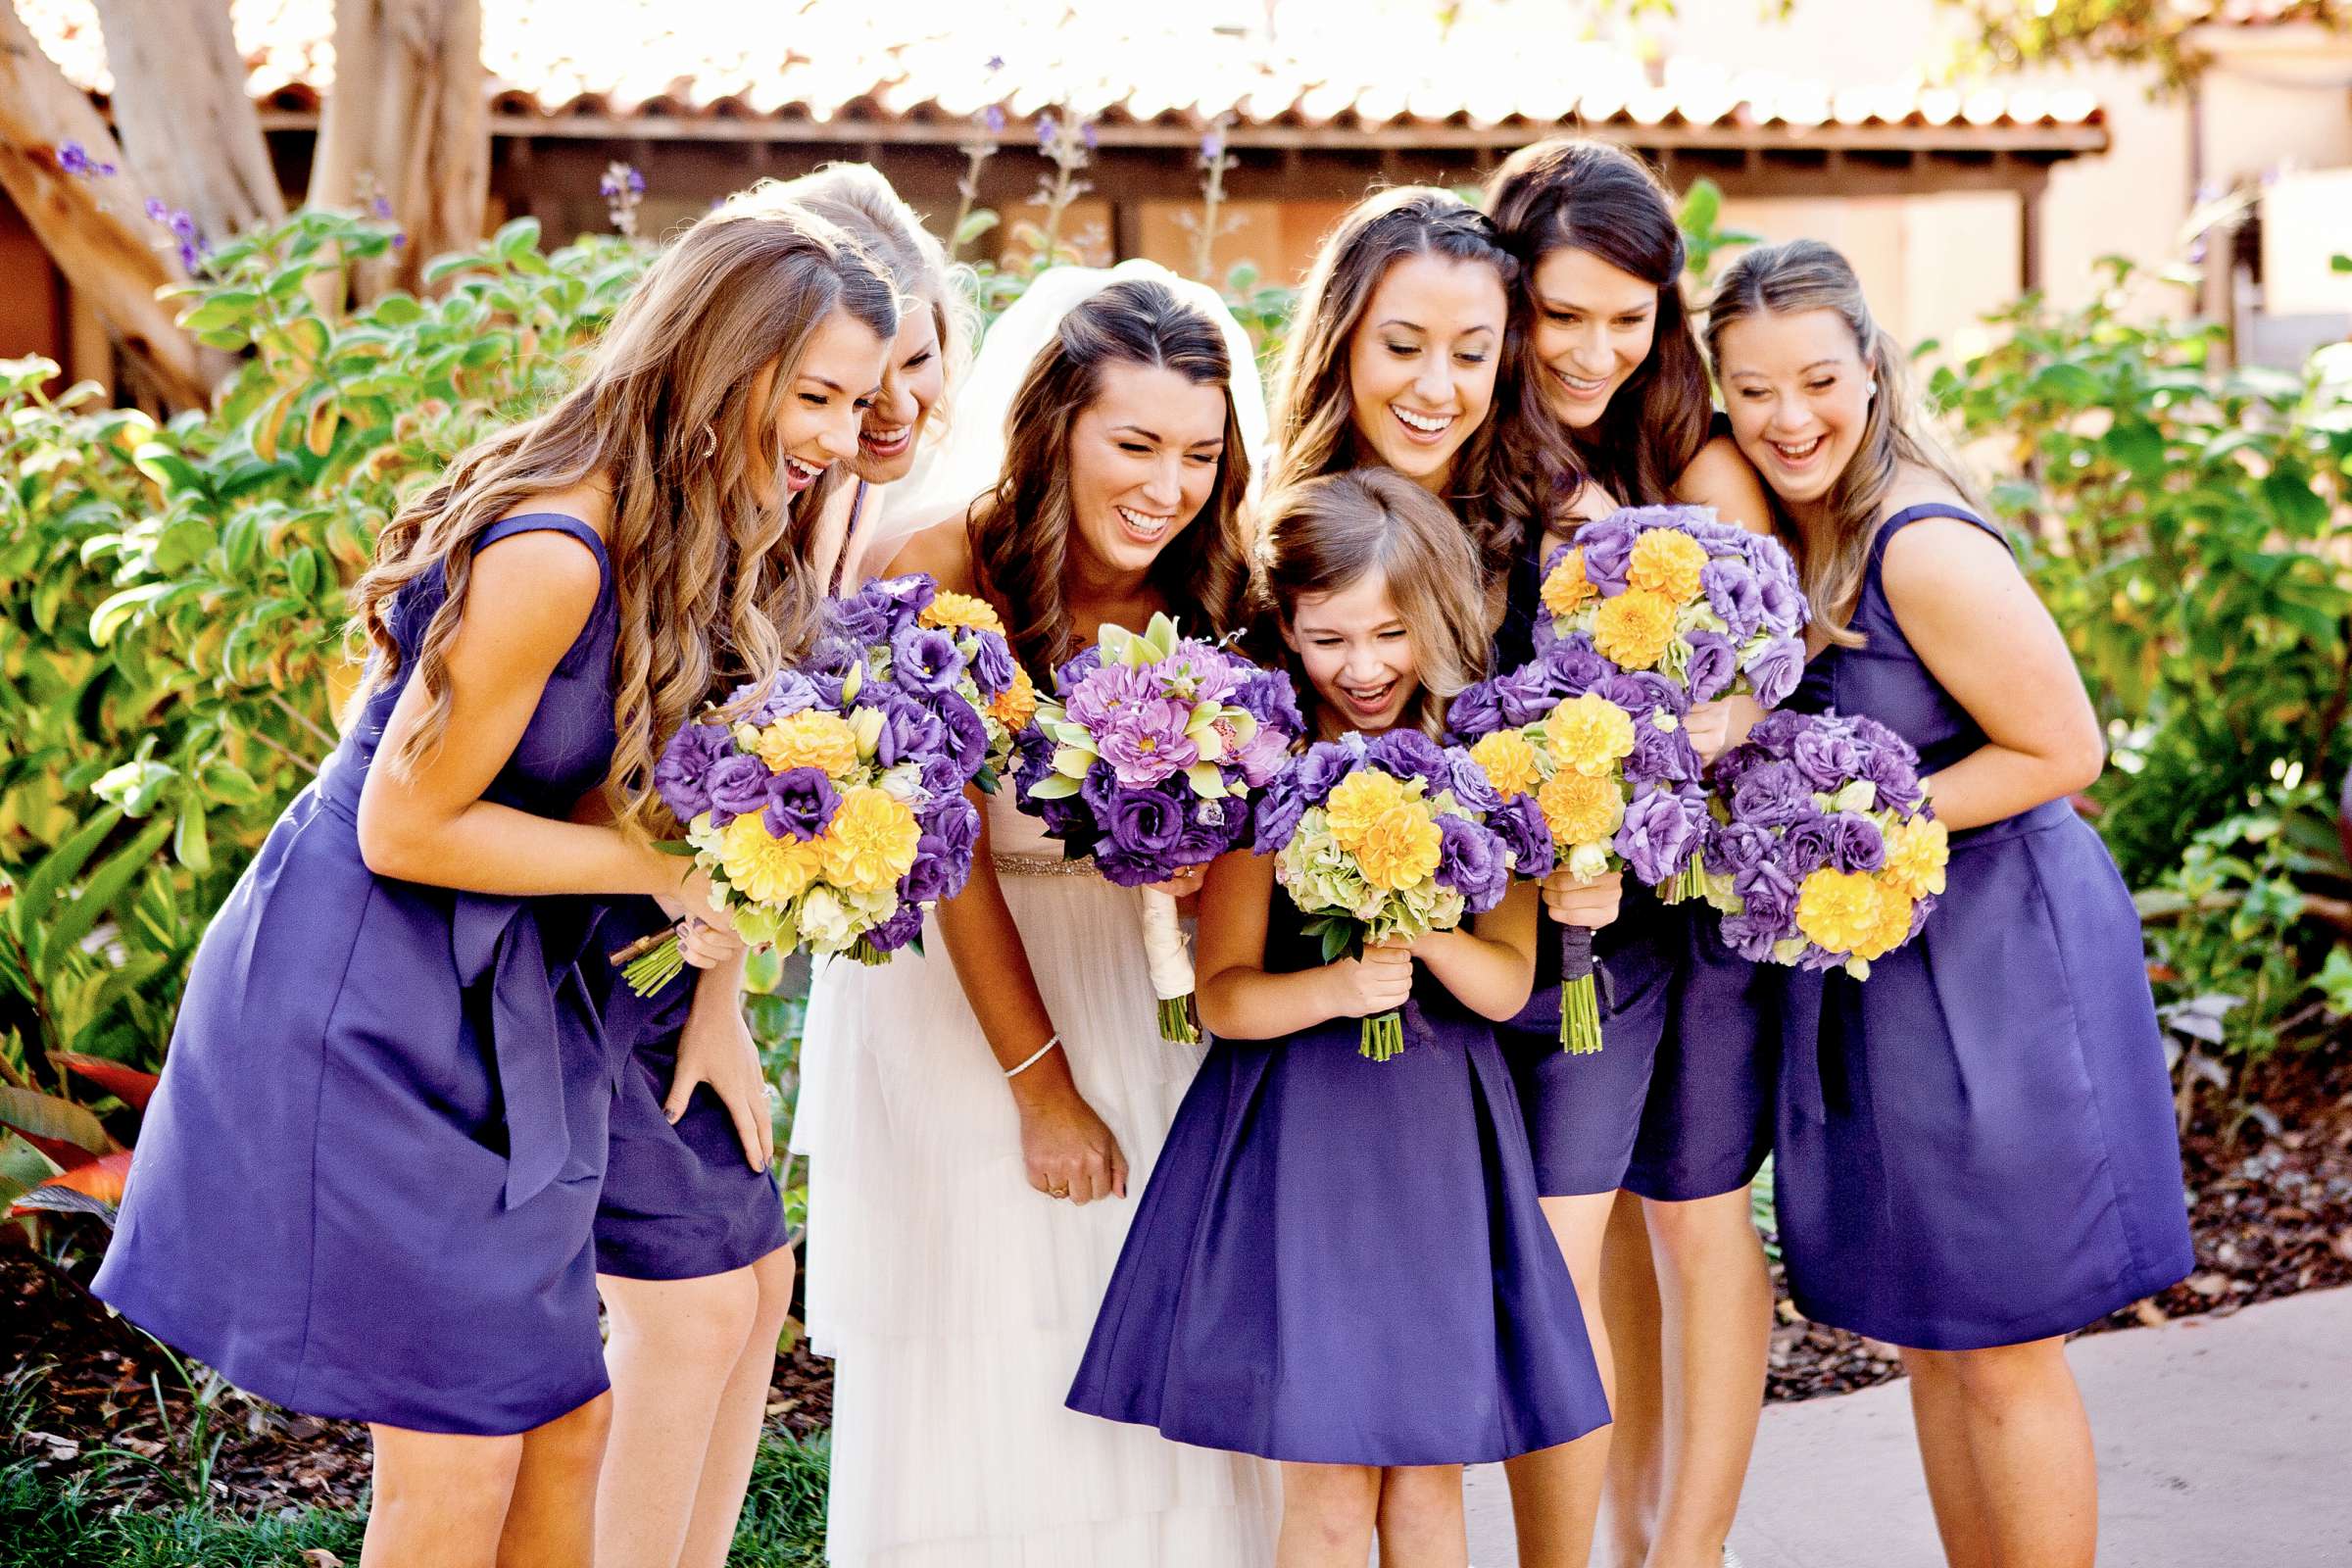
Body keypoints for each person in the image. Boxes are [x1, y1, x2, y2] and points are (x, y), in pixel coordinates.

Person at [91, 200, 899, 1567]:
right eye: (813, 394)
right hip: (369, 1002)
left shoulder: (686, 533)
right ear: (714, 365)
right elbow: (403, 829)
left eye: (858, 401)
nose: (835, 437)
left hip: (510, 991)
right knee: (462, 1456)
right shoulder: (552, 546)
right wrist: (660, 866)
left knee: (562, 1425)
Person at [1707, 238, 2193, 1568]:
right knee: (1935, 1334)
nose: (1789, 416)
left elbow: (2064, 751)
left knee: (2004, 1346)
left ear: (1872, 366)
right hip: (1885, 967)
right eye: (1753, 391)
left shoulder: (1916, 545)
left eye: (1817, 378)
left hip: (1998, 960)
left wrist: (1843, 826)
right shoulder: (1793, 535)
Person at [794, 263, 1279, 1567]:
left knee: (1148, 1332)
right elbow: (940, 852)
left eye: (1196, 453)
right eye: (1133, 443)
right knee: (1000, 1326)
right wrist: (1041, 1084)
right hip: (967, 998)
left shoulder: (1217, 589)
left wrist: (1200, 851)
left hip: (1144, 981)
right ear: (1056, 421)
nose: (1165, 487)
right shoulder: (941, 563)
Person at [1070, 467, 1610, 1568]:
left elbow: (1511, 987)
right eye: (1328, 639)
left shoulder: (1486, 766)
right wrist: (1337, 988)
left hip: (1438, 1152)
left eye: (1390, 634)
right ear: (1286, 625)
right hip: (1303, 1150)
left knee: (1425, 1490)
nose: (1362, 667)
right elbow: (1222, 994)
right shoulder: (1261, 774)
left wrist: (1423, 933)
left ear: (1439, 620)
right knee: (1325, 1492)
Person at [582, 166, 977, 1568]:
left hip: (680, 949)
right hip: (579, 938)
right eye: (847, 387)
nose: (894, 413)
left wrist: (721, 1000)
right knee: (695, 1303)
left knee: (755, 1281)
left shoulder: (836, 516)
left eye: (917, 365)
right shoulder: (687, 502)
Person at [1484, 137, 1780, 1568]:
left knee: (1696, 1216)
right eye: (1564, 313)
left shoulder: (1695, 453)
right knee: (1586, 1238)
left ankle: (1686, 1550)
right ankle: (1617, 1540)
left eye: (1630, 314)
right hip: (1555, 902)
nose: (1597, 349)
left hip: (1696, 892)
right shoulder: (1474, 444)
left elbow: (1766, 663)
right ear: (1511, 296)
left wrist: (1705, 718)